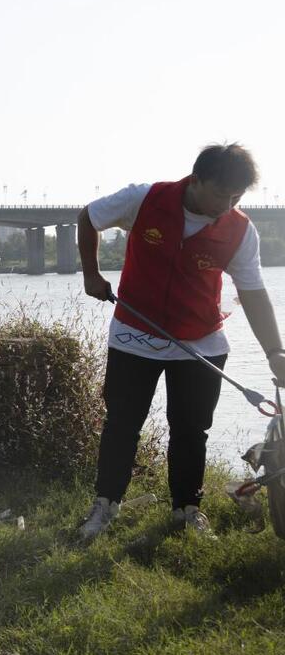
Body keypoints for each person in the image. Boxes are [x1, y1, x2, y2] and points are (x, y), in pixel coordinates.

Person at [77, 143, 285, 541]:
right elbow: (89, 217)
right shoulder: (145, 198)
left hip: (201, 341)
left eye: (237, 197)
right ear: (197, 179)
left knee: (192, 430)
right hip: (133, 335)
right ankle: (105, 506)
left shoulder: (240, 230)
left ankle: (187, 510)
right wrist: (91, 273)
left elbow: (254, 292)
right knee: (122, 424)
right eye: (222, 194)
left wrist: (275, 351)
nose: (229, 205)